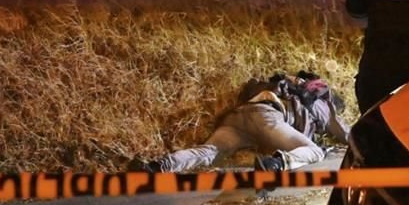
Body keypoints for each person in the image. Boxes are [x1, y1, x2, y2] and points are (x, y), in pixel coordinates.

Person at [131, 73, 349, 173]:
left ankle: (157, 166)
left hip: (240, 115)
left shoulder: (285, 88)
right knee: (315, 151)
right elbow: (346, 134)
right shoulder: (321, 102)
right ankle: (276, 165)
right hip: (268, 118)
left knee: (209, 152)